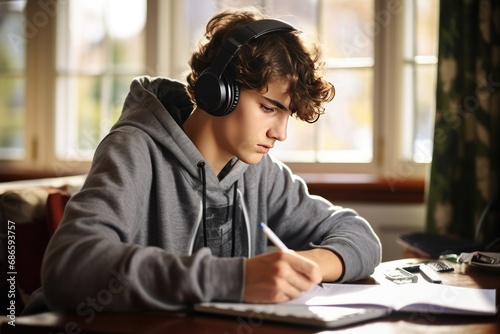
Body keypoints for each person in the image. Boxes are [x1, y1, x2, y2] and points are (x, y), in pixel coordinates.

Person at [24, 7, 381, 314]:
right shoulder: (133, 149)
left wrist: (311, 266)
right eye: (268, 108)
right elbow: (69, 267)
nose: (280, 133)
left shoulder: (259, 172)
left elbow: (362, 238)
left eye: (287, 115)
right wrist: (235, 279)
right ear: (218, 90)